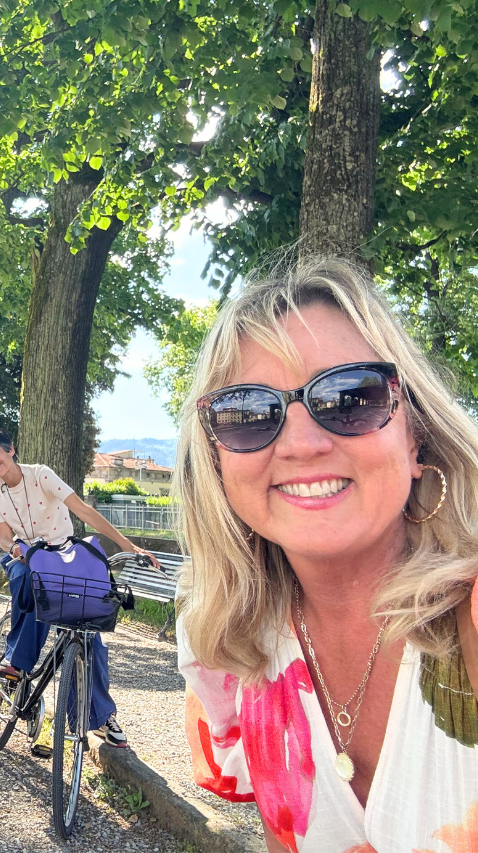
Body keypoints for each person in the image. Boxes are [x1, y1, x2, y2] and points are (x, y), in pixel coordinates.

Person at [176, 257, 478, 851]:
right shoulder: (228, 639)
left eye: (349, 397)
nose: (302, 444)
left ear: (415, 437)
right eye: (248, 413)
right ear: (216, 459)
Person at [0, 426, 157, 748]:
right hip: (26, 556)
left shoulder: (40, 475)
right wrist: (17, 549)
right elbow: (3, 537)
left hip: (65, 555)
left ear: (10, 449)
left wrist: (129, 545)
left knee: (89, 634)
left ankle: (100, 717)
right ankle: (18, 665)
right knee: (29, 578)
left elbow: (83, 510)